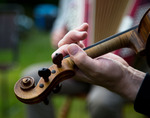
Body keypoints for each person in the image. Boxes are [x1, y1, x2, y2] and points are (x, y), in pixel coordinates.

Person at [52, 23, 150, 117]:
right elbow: (60, 25)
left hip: (134, 66)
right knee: (38, 77)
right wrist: (58, 34)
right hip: (77, 68)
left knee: (101, 103)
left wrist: (127, 76)